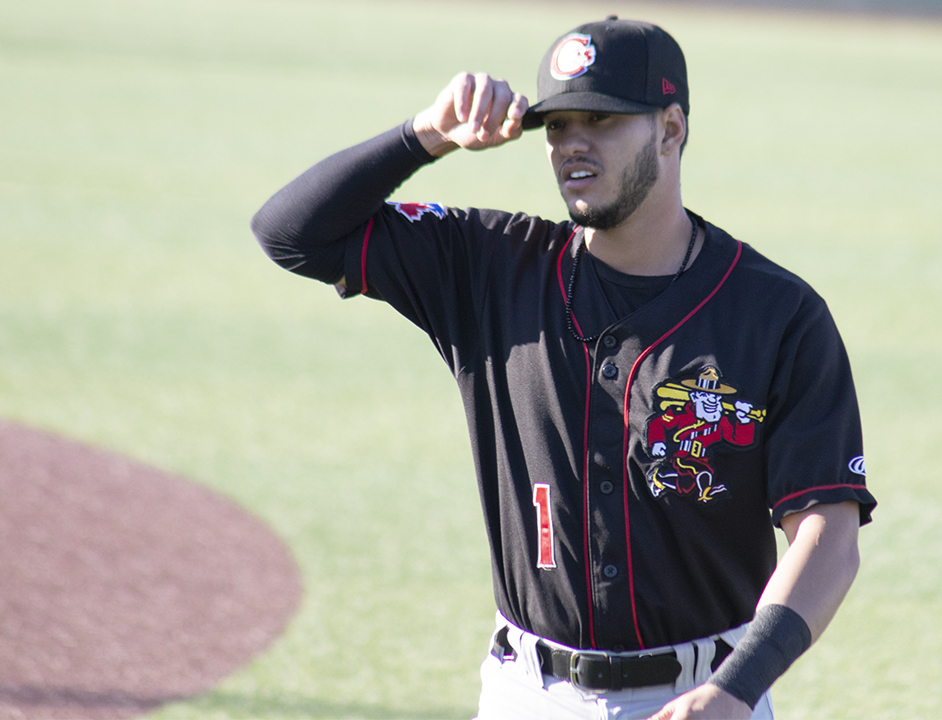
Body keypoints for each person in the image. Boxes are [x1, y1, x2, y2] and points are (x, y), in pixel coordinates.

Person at [251, 17, 876, 720]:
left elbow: (828, 535)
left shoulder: (777, 314)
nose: (572, 143)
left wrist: (736, 688)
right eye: (556, 125)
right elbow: (289, 233)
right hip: (527, 695)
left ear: (671, 129)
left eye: (602, 120)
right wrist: (426, 134)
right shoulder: (488, 267)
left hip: (706, 695)